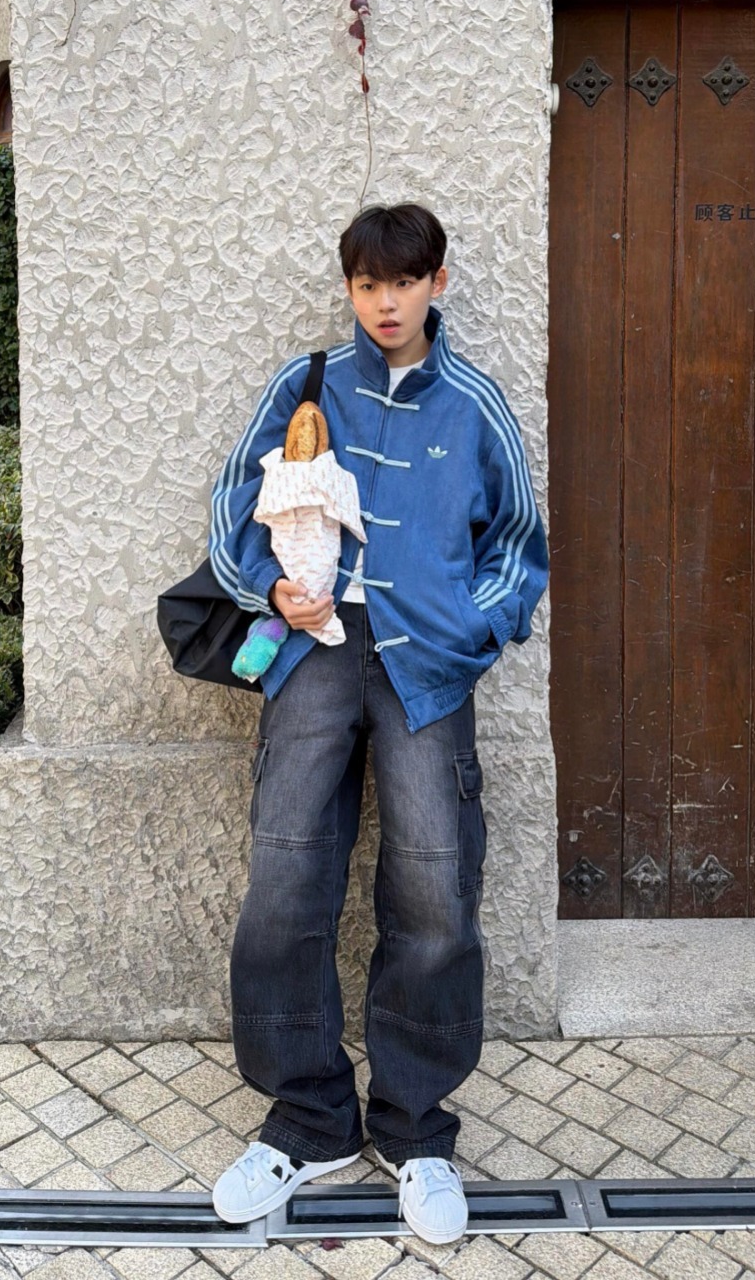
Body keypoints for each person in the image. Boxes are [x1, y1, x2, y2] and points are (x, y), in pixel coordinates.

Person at [207, 203, 548, 1245]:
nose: (385, 303)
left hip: (426, 671)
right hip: (313, 654)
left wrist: (471, 632)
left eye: (403, 282)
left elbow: (519, 545)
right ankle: (307, 1120)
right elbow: (231, 508)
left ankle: (415, 1131)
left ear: (436, 283)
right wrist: (272, 590)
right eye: (367, 284)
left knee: (436, 887)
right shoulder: (306, 385)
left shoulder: (475, 404)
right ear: (350, 289)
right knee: (284, 881)